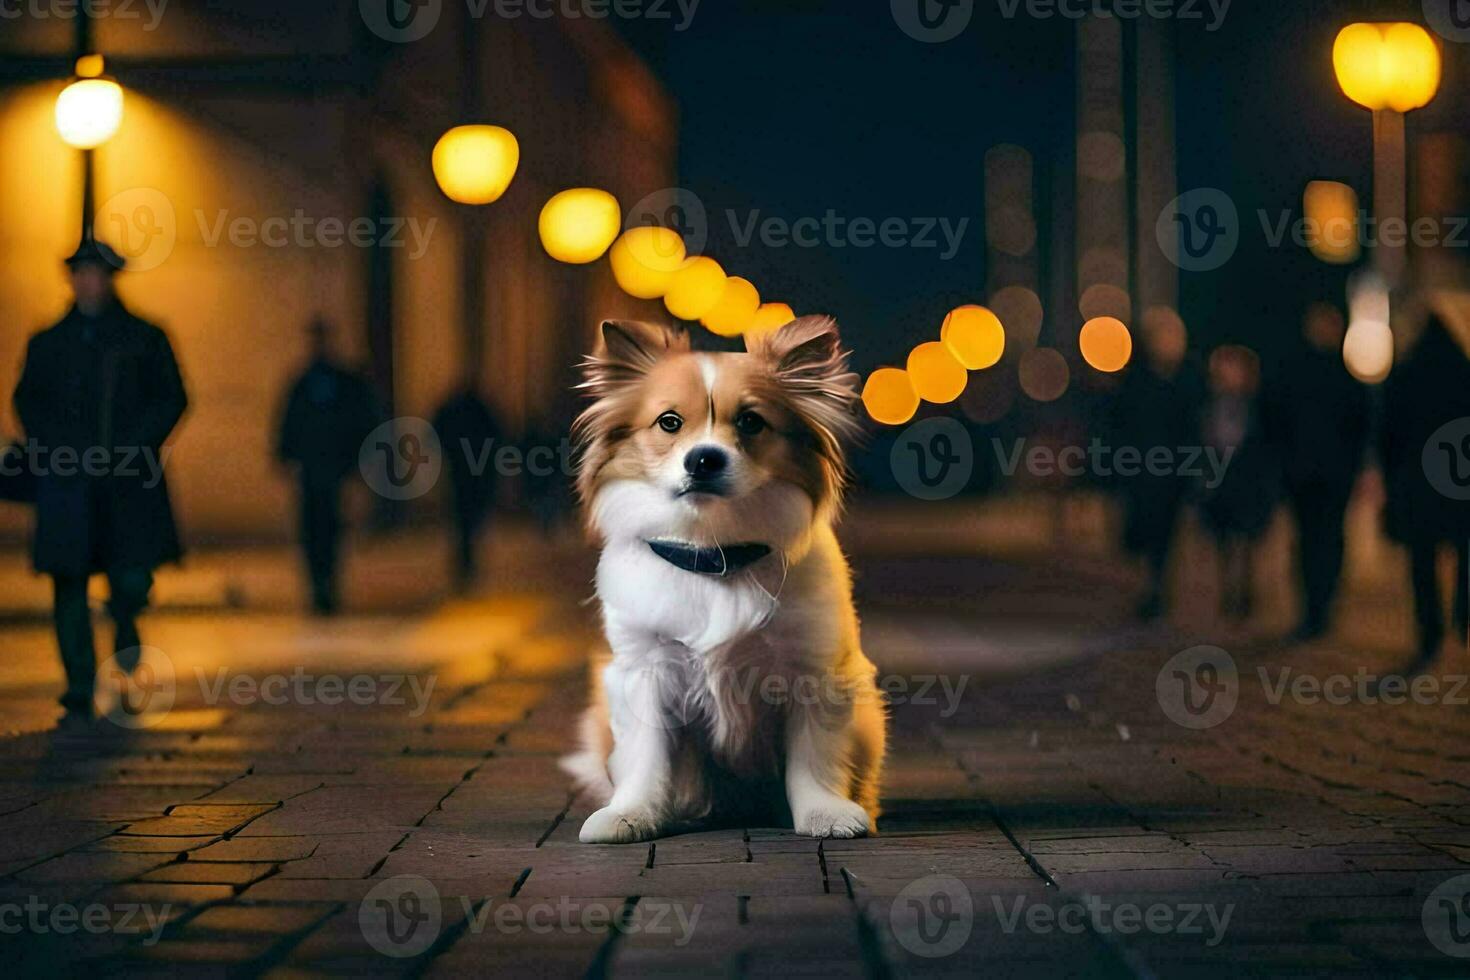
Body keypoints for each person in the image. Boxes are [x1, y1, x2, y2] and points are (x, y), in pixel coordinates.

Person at [12, 237, 188, 720]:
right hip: (69, 483)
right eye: (82, 273)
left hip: (126, 481)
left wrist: (135, 446)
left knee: (130, 572)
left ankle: (126, 618)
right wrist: (56, 451)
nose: (89, 283)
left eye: (97, 274)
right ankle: (78, 681)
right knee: (68, 581)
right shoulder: (49, 342)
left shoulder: (144, 338)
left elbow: (171, 398)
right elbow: (29, 402)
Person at [1265, 303, 1370, 641]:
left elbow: (1361, 427)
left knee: (1328, 541)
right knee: (1308, 542)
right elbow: (1276, 421)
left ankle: (1322, 607)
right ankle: (1312, 608)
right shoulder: (1296, 373)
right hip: (1304, 476)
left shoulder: (1344, 379)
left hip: (1332, 477)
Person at [1381, 297, 1470, 673]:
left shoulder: (1406, 372)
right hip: (1459, 482)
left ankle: (1429, 629)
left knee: (1422, 560)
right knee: (1464, 548)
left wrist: (1392, 480)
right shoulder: (1464, 373)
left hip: (1417, 484)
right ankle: (1461, 611)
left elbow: (1388, 435)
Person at [275, 318, 378, 614]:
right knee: (313, 529)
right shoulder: (304, 381)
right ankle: (318, 585)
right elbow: (290, 422)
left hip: (331, 467)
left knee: (328, 529)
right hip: (312, 468)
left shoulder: (338, 382)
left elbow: (359, 420)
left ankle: (327, 584)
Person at [1112, 312, 1204, 619]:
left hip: (1173, 475)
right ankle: (1150, 585)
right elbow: (1120, 426)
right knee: (1142, 532)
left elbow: (1194, 429)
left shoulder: (1189, 380)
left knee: (1167, 535)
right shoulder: (1135, 381)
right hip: (1140, 472)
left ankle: (1158, 587)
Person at [1198, 346, 1278, 622]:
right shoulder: (1208, 405)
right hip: (1219, 484)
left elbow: (1266, 448)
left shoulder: (1257, 406)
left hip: (1247, 485)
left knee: (1245, 541)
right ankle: (1228, 589)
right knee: (1223, 541)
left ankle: (1244, 590)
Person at [431, 374, 501, 591]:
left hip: (460, 470)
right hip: (476, 471)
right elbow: (497, 436)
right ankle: (466, 560)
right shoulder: (482, 408)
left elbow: (436, 430)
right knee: (470, 519)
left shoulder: (455, 408)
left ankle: (464, 560)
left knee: (462, 520)